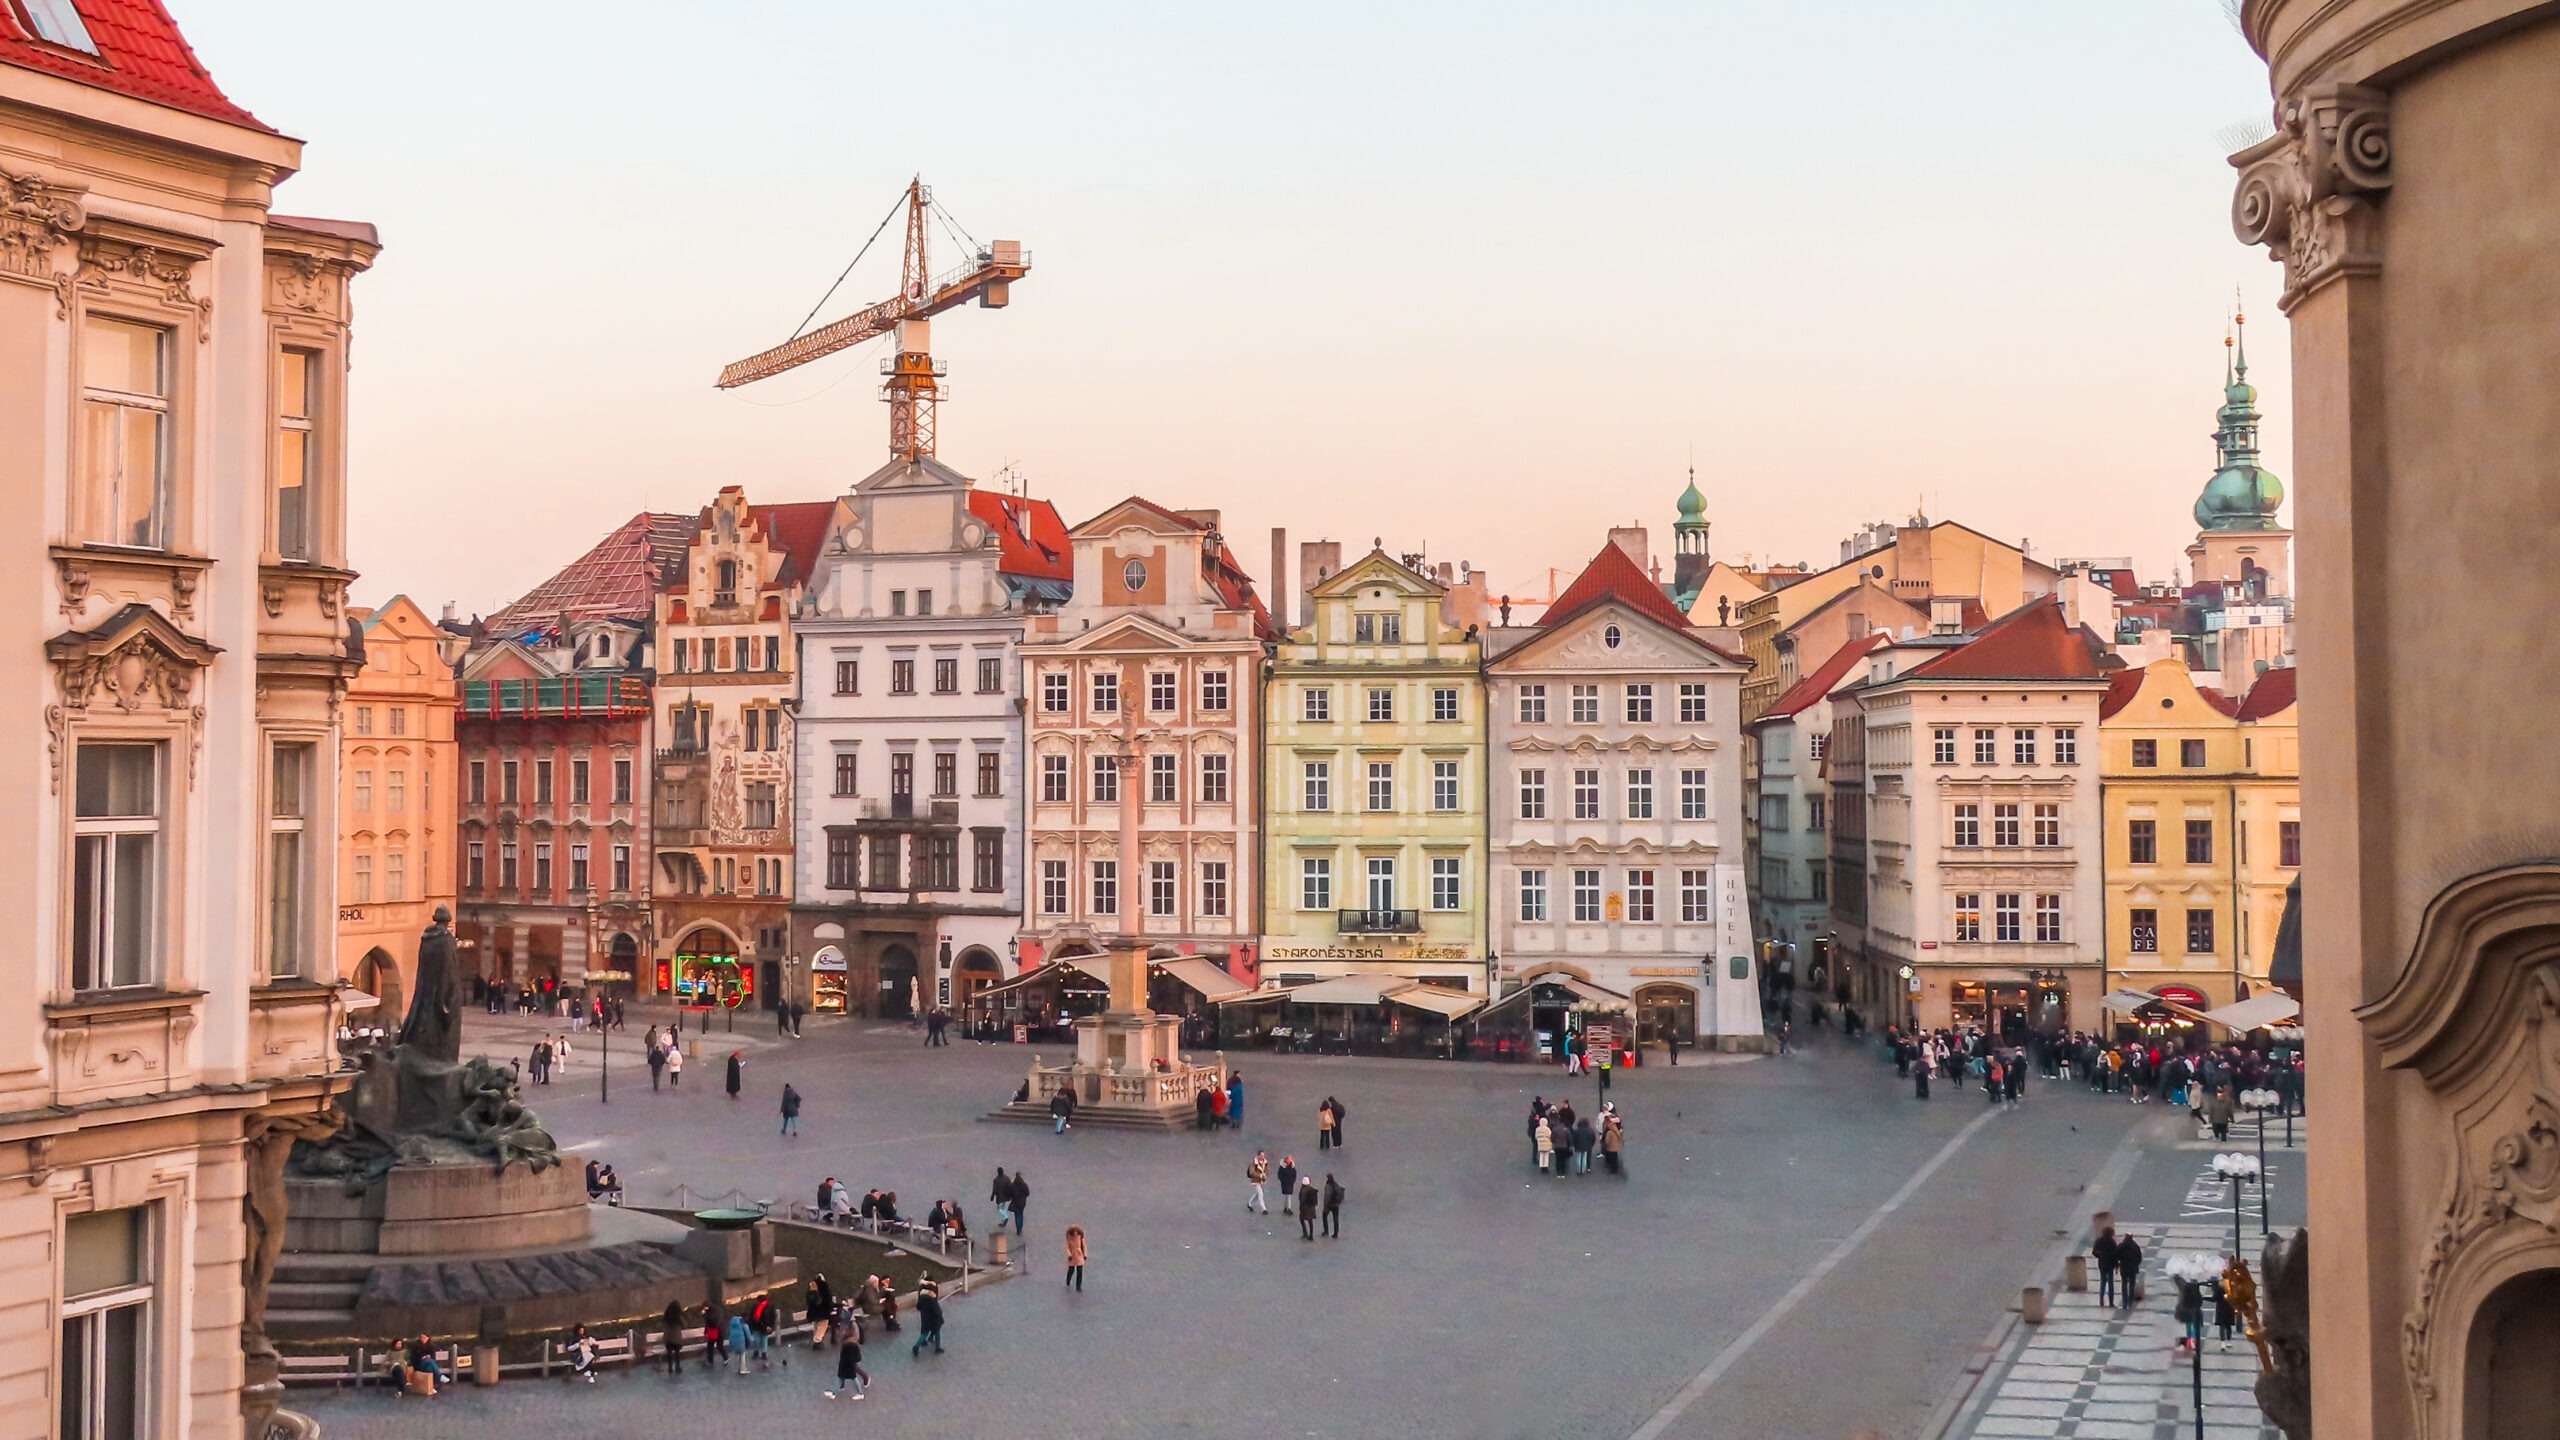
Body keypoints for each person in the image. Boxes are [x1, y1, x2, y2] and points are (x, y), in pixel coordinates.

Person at [824, 1333, 866, 1401]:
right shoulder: (854, 1344)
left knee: (846, 1378)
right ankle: (834, 1393)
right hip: (850, 1365)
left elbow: (844, 1356)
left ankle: (860, 1393)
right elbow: (858, 1356)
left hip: (845, 1365)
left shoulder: (847, 1345)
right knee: (844, 1378)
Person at [911, 1277, 945, 1357]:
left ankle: (916, 1345)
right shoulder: (932, 1299)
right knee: (937, 1331)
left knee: (924, 1333)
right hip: (934, 1318)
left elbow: (918, 1307)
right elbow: (937, 1311)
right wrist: (941, 1319)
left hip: (925, 1317)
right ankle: (937, 1347)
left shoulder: (922, 1297)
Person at [2092, 1228, 2121, 1306]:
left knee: (2103, 1282)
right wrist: (2116, 1265)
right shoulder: (2112, 1242)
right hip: (2110, 1265)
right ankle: (2111, 1302)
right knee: (2111, 1284)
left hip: (2102, 1264)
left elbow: (2094, 1252)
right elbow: (2115, 1255)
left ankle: (2101, 1300)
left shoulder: (2099, 1241)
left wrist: (2100, 1256)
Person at [2118, 1233, 2145, 1309]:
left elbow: (2117, 1255)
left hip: (2124, 1268)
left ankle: (2124, 1302)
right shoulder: (2135, 1247)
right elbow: (2139, 1258)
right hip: (2133, 1268)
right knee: (2132, 1285)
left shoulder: (2121, 1246)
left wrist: (2118, 1264)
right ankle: (2130, 1302)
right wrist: (2136, 1264)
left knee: (2124, 1284)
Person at [807, 1274, 835, 1345]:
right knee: (823, 1324)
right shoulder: (824, 1291)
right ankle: (818, 1341)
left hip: (815, 1314)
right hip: (822, 1314)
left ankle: (817, 1342)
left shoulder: (812, 1291)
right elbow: (828, 1302)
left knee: (817, 1325)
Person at [661, 1300, 686, 1375]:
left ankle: (670, 1367)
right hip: (676, 1338)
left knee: (669, 1352)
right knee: (677, 1353)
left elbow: (664, 1324)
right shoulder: (678, 1317)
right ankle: (677, 1367)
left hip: (668, 1338)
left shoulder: (666, 1316)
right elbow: (684, 1324)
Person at [1063, 1224, 1088, 1291]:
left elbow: (1084, 1246)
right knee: (1071, 1270)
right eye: (1073, 1231)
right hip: (1072, 1256)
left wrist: (1085, 1255)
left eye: (1076, 1231)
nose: (1075, 1232)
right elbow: (1067, 1247)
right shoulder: (1069, 1238)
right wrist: (1069, 1255)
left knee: (1079, 1271)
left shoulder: (1080, 1237)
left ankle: (1078, 1286)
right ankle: (1068, 1280)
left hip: (1079, 1255)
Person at [1601, 1111, 1625, 1175]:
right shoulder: (1616, 1131)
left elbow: (1607, 1141)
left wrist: (1605, 1144)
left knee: (1612, 1159)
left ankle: (1612, 1169)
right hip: (1615, 1147)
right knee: (1615, 1158)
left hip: (1610, 1147)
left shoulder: (1609, 1132)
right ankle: (1615, 1169)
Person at [1297, 1175, 1320, 1240]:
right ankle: (1311, 1235)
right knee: (1310, 1221)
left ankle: (1305, 1233)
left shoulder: (1303, 1190)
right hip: (1312, 1208)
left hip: (1305, 1208)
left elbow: (1302, 1200)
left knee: (1301, 1218)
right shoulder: (1312, 1190)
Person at [1321, 1173, 1343, 1238]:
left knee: (1324, 1216)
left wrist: (1325, 1206)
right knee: (1335, 1219)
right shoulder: (1336, 1184)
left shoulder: (1328, 1186)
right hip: (1336, 1205)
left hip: (1329, 1205)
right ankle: (1336, 1234)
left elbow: (1327, 1197)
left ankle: (1326, 1231)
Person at [1008, 1171, 1029, 1235]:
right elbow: (1027, 1193)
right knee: (1021, 1214)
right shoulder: (1024, 1185)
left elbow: (1010, 1194)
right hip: (1022, 1203)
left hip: (1015, 1203)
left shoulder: (1013, 1185)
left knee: (1017, 1215)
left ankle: (1018, 1229)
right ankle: (1020, 1227)